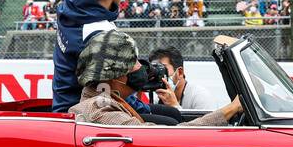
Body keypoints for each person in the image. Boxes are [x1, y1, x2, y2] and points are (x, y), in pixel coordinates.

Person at [71, 31, 242, 127]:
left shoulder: (105, 98)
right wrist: (230, 109)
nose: (140, 67)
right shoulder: (102, 112)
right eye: (133, 62)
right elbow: (169, 137)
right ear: (114, 76)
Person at [149, 46, 225, 111]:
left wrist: (174, 107)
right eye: (155, 70)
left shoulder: (201, 97)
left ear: (180, 72)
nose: (158, 75)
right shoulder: (159, 100)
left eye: (163, 69)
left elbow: (206, 126)